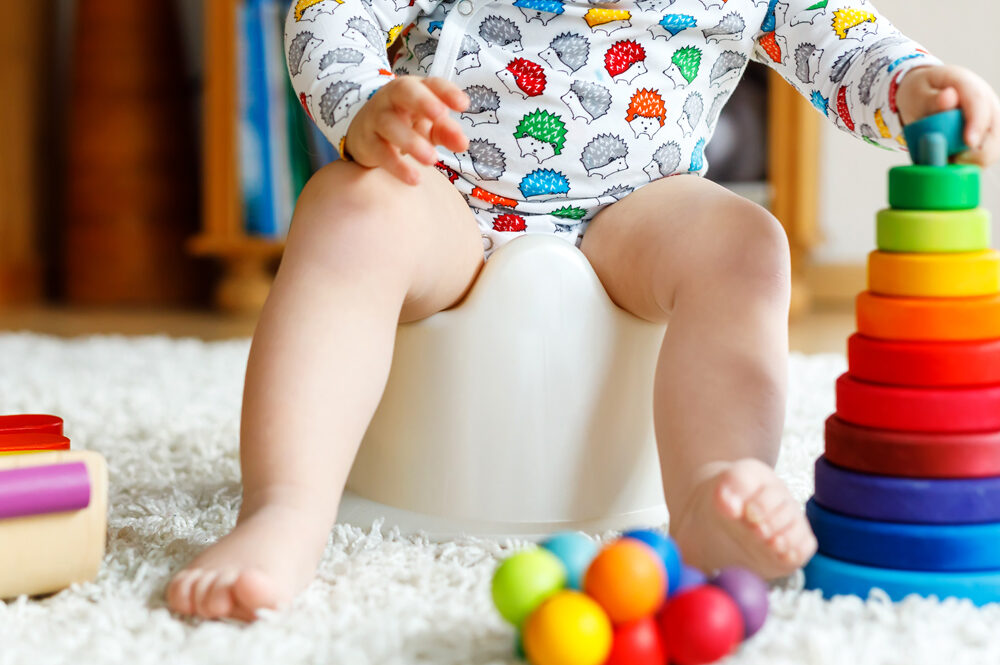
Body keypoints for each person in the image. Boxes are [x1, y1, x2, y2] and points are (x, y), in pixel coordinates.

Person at [168, 0, 1000, 621]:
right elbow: (334, 17)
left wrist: (910, 84)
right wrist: (365, 106)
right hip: (448, 196)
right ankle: (284, 509)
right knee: (347, 212)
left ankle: (713, 489)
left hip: (638, 214)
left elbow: (831, 37)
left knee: (746, 244)